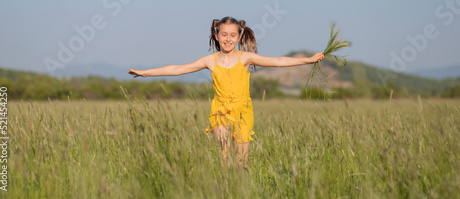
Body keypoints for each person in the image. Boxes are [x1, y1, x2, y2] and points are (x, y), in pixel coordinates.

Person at [128, 16, 325, 165]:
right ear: (216, 35)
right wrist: (146, 73)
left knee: (240, 163)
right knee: (225, 162)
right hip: (220, 111)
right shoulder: (210, 61)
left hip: (243, 112)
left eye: (232, 35)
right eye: (224, 35)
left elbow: (278, 61)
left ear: (239, 36)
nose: (228, 39)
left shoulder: (246, 58)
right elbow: (177, 69)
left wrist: (308, 60)